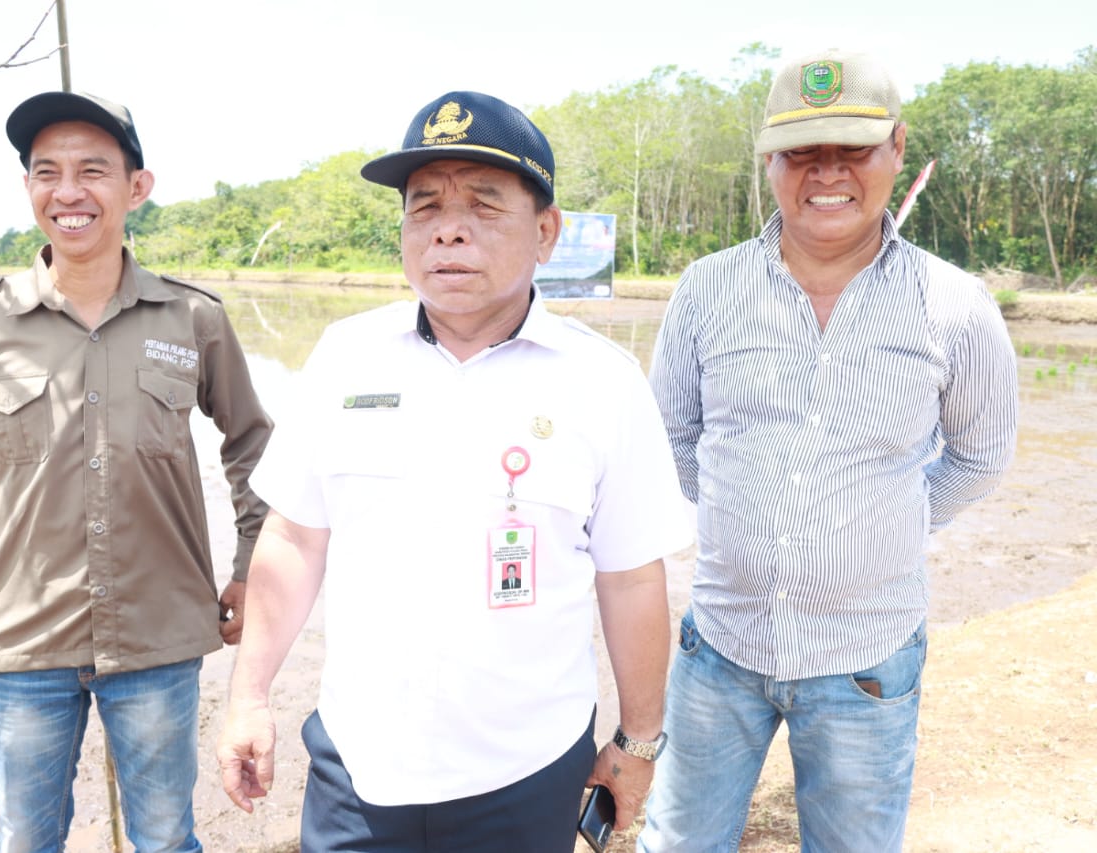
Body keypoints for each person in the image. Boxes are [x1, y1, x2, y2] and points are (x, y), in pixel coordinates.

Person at [216, 90, 694, 852]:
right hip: (357, 768)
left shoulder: (603, 382)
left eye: (483, 202)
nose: (449, 227)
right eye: (425, 205)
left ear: (546, 231)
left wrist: (638, 743)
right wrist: (247, 695)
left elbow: (633, 577)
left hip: (527, 771)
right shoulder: (345, 355)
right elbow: (294, 538)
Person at [638, 49, 1019, 852]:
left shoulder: (956, 305)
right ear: (769, 161)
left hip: (866, 663)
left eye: (852, 149)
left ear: (898, 150)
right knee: (675, 842)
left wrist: (893, 523)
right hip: (719, 647)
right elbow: (670, 434)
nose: (826, 174)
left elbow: (981, 455)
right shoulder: (707, 289)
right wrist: (749, 523)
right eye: (802, 153)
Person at [0, 90, 272, 852]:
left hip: (159, 640)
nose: (68, 192)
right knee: (25, 839)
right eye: (47, 172)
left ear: (137, 188)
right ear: (30, 188)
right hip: (22, 638)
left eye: (93, 171)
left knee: (166, 838)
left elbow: (254, 446)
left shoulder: (192, 317)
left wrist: (251, 569)